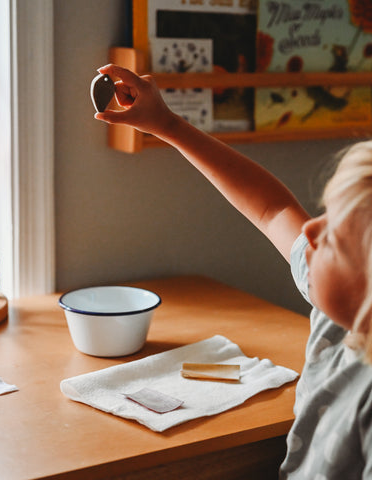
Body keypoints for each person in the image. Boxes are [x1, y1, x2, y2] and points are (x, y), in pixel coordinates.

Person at [94, 64, 372, 479]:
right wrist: (167, 125)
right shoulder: (333, 307)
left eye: (337, 236)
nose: (311, 228)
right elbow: (272, 208)